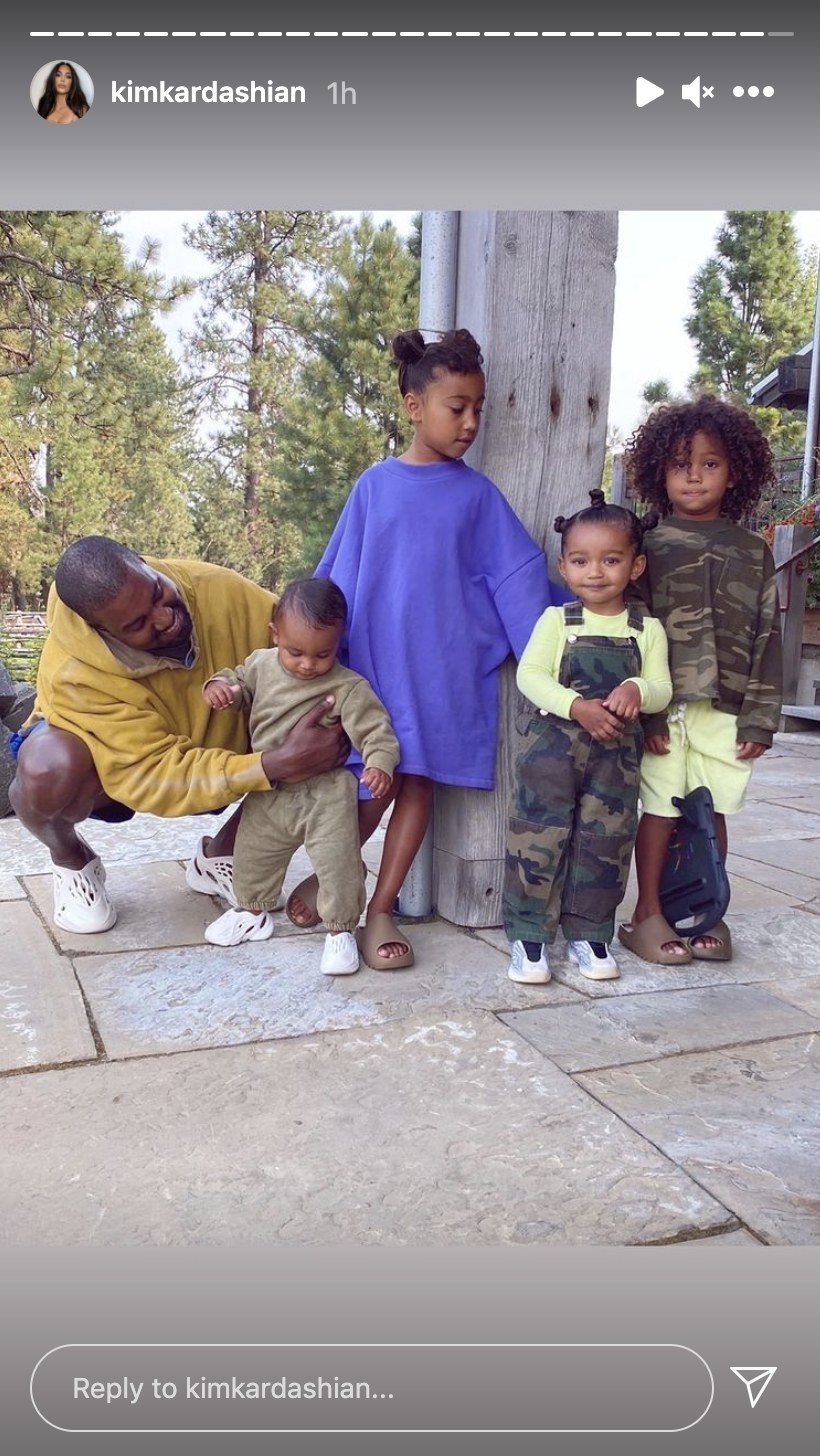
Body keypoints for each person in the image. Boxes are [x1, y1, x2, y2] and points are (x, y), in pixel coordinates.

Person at [287, 327, 563, 970]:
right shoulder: (374, 487)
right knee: (366, 780)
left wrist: (583, 624)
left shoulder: (477, 497)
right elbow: (335, 578)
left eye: (478, 409)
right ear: (414, 406)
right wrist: (308, 657)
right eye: (456, 407)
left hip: (439, 672)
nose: (469, 423)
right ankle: (337, 881)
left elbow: (519, 579)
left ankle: (382, 905)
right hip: (375, 667)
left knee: (415, 782)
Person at [8, 537, 349, 934]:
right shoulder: (73, 673)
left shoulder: (218, 590)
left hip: (219, 746)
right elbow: (152, 773)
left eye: (157, 593)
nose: (165, 617)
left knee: (317, 722)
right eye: (137, 624)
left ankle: (221, 855)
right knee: (48, 770)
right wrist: (271, 764)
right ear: (100, 629)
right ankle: (70, 858)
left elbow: (301, 644)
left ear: (144, 563)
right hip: (118, 768)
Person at [617, 395, 783, 965]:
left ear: (734, 470)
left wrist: (762, 715)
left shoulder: (752, 551)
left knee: (710, 811)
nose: (694, 475)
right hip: (664, 706)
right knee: (660, 810)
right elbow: (632, 634)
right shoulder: (647, 549)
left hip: (729, 710)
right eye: (681, 462)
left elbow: (769, 634)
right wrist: (650, 713)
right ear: (659, 471)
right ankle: (647, 914)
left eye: (710, 463)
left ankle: (709, 911)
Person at [502, 489, 672, 984]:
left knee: (605, 840)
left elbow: (662, 687)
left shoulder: (647, 629)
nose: (594, 571)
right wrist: (577, 706)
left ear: (635, 566)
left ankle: (591, 933)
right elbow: (530, 675)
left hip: (614, 761)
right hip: (551, 752)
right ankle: (529, 937)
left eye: (610, 559)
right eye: (581, 560)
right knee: (539, 835)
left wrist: (636, 688)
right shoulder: (558, 620)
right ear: (563, 566)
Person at [201, 578, 399, 976]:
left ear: (338, 642)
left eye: (322, 654)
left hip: (326, 793)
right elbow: (236, 679)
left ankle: (341, 930)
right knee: (254, 852)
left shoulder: (347, 686)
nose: (308, 664)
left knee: (337, 861)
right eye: (295, 652)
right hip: (270, 788)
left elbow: (376, 730)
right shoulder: (260, 664)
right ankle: (251, 911)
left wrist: (379, 763)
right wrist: (221, 688)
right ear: (276, 634)